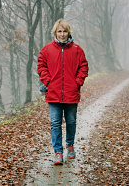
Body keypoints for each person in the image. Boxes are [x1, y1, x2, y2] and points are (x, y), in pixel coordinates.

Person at [37, 19, 89, 165]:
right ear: (55, 32)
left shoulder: (77, 49)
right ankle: (58, 152)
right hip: (53, 93)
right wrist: (47, 81)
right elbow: (41, 65)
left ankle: (70, 145)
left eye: (64, 31)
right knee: (55, 123)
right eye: (59, 31)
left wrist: (77, 82)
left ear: (68, 32)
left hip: (71, 93)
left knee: (71, 121)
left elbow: (83, 67)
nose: (62, 34)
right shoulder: (47, 49)